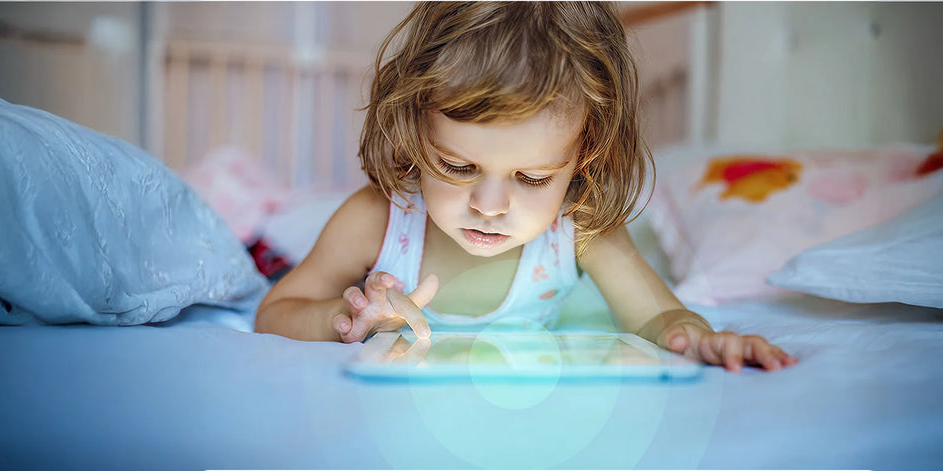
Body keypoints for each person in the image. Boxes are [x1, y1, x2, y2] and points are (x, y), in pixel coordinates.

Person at [255, 1, 798, 372]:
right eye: (458, 167)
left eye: (533, 178)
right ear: (415, 131)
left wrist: (698, 337)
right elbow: (275, 313)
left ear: (585, 157)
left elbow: (658, 317)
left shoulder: (579, 228)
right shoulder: (377, 218)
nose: (489, 206)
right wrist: (349, 317)